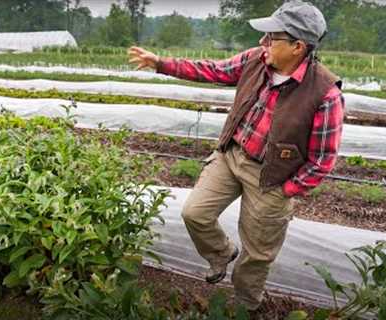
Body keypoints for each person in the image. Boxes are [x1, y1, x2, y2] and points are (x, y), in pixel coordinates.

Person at [128, 0, 344, 313]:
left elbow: (322, 160)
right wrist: (160, 63)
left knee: (257, 255)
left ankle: (246, 306)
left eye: (272, 37)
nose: (262, 42)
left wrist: (287, 190)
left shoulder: (325, 94)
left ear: (298, 46)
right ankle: (220, 253)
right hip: (232, 156)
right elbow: (212, 70)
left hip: (272, 179)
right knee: (194, 214)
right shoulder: (256, 60)